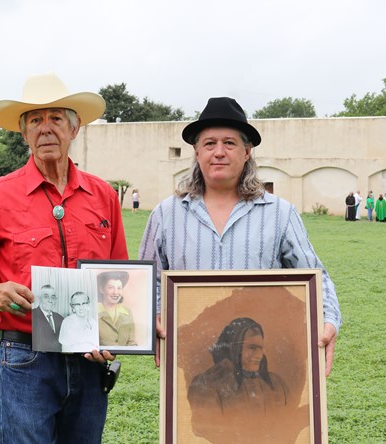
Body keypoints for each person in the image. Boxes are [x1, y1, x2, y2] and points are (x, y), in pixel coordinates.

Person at [0, 73, 128, 443]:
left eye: (56, 119)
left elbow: (117, 276)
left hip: (88, 357)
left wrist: (116, 335)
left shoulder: (103, 195)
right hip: (25, 356)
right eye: (35, 120)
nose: (46, 129)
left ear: (74, 130)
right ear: (24, 134)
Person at [139, 97, 341, 377]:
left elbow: (316, 277)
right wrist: (155, 314)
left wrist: (328, 320)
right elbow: (149, 283)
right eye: (209, 144)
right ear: (197, 152)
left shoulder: (280, 214)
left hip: (259, 363)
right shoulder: (166, 215)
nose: (219, 152)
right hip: (193, 360)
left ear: (247, 152)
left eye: (229, 143)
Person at [187, 318, 297, 441]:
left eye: (261, 348)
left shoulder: (276, 384)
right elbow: (205, 433)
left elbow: (289, 425)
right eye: (252, 347)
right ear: (233, 347)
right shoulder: (206, 385)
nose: (259, 355)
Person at [97, 270, 137, 346]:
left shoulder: (127, 312)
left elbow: (131, 342)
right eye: (110, 287)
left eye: (119, 288)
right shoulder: (94, 312)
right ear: (101, 289)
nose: (116, 292)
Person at [32, 284, 65, 352]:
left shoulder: (60, 318)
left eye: (53, 297)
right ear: (39, 298)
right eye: (46, 297)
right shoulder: (32, 315)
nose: (50, 300)